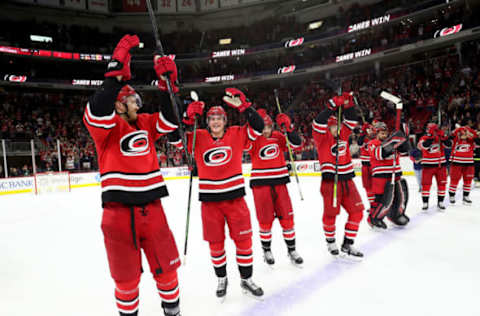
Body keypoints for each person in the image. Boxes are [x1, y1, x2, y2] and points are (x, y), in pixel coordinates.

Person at [83, 35, 182, 316]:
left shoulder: (146, 123)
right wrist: (114, 73)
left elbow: (172, 119)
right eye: (130, 99)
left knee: (168, 272)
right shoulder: (105, 128)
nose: (136, 103)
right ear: (118, 105)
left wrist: (167, 85)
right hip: (117, 214)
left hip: (153, 210)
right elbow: (98, 107)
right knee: (126, 280)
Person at [182, 88, 265, 300]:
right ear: (207, 122)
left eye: (219, 118)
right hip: (210, 203)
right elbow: (175, 138)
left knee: (244, 241)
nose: (216, 121)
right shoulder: (197, 137)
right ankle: (222, 278)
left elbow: (258, 126)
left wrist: (245, 106)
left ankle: (246, 279)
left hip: (236, 199)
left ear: (225, 121)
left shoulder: (237, 133)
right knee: (216, 244)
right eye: (212, 118)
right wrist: (187, 117)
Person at [245, 109, 303, 266]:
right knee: (265, 220)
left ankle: (292, 250)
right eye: (263, 127)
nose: (266, 130)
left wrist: (288, 128)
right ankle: (267, 250)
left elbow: (297, 144)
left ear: (272, 127)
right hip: (260, 185)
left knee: (287, 218)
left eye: (268, 127)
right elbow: (244, 143)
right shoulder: (253, 138)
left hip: (280, 183)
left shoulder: (278, 137)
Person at [312, 92, 364, 259]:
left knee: (358, 212)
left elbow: (352, 120)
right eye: (333, 127)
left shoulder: (344, 134)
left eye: (338, 126)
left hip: (347, 180)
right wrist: (331, 105)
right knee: (331, 214)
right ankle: (331, 241)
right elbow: (318, 122)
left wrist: (347, 104)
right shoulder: (321, 137)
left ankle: (348, 243)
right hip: (330, 183)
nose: (337, 129)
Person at [367, 122, 410, 229]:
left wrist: (403, 139)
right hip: (381, 176)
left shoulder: (393, 142)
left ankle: (396, 215)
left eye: (386, 133)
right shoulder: (373, 143)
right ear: (376, 134)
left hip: (395, 174)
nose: (384, 135)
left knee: (400, 196)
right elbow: (380, 154)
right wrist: (393, 142)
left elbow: (405, 150)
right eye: (382, 133)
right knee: (384, 199)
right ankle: (374, 218)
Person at [417, 123, 451, 211]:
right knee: (426, 185)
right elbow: (424, 146)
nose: (435, 132)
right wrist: (431, 137)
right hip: (428, 166)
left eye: (435, 130)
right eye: (433, 130)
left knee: (442, 184)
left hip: (441, 165)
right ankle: (425, 202)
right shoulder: (423, 138)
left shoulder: (440, 138)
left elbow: (449, 145)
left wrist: (443, 137)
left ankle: (440, 202)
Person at [448, 126, 480, 205]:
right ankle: (452, 195)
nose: (464, 135)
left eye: (466, 133)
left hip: (469, 163)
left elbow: (478, 141)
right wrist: (457, 131)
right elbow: (449, 138)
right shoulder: (455, 140)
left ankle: (466, 197)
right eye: (463, 133)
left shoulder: (471, 140)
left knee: (468, 181)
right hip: (456, 163)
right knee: (454, 181)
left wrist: (471, 134)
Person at [357, 122, 375, 208]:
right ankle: (372, 205)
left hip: (374, 166)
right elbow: (359, 143)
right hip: (365, 167)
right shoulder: (363, 139)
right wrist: (363, 132)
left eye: (371, 129)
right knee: (368, 187)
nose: (370, 131)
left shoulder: (376, 138)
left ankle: (377, 204)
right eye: (368, 129)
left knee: (377, 186)